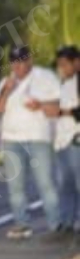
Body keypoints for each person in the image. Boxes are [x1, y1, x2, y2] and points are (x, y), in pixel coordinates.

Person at [0, 45, 63, 239]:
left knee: (46, 183)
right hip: (12, 140)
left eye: (22, 60)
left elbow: (59, 106)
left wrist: (40, 105)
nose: (19, 65)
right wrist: (6, 91)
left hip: (39, 137)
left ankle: (56, 225)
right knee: (16, 187)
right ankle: (22, 224)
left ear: (30, 60)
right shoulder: (7, 81)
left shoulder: (45, 77)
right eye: (14, 61)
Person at [49, 45, 80, 237]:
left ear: (76, 62)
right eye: (59, 65)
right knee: (64, 184)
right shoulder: (62, 83)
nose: (62, 68)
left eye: (65, 64)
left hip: (75, 140)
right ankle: (67, 222)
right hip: (61, 141)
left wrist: (61, 112)